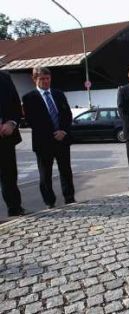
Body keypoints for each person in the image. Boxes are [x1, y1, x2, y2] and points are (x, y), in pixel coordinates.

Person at [22, 67, 75, 209]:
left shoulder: (59, 94)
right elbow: (32, 121)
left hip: (62, 139)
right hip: (44, 142)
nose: (46, 81)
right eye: (42, 79)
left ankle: (69, 197)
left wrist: (63, 131)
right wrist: (53, 134)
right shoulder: (29, 98)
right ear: (35, 79)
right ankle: (49, 201)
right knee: (46, 174)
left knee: (66, 170)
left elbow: (67, 114)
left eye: (48, 78)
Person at [0, 71, 26, 217]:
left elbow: (16, 105)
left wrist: (12, 122)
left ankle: (15, 209)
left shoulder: (5, 77)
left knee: (9, 175)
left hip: (6, 137)